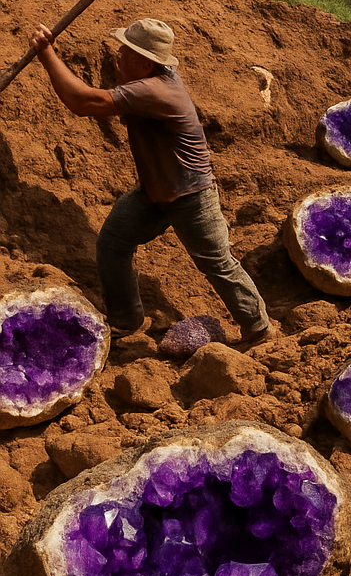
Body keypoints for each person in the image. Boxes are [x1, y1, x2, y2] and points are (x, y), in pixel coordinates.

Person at [29, 17, 273, 344]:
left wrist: (46, 53)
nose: (117, 54)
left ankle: (260, 329)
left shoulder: (155, 91)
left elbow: (84, 103)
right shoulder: (153, 79)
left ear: (145, 62)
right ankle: (127, 320)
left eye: (125, 51)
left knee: (217, 263)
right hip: (155, 193)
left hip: (191, 195)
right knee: (112, 243)